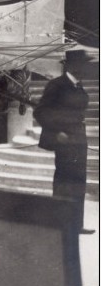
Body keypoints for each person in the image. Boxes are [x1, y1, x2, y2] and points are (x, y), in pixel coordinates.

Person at [33, 50, 94, 234]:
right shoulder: (57, 85)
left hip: (79, 142)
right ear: (71, 66)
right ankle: (60, 224)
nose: (85, 68)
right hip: (65, 141)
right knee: (64, 182)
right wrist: (57, 131)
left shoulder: (78, 86)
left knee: (78, 182)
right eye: (83, 64)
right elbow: (41, 112)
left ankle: (76, 225)